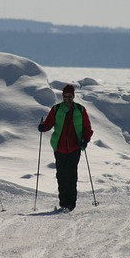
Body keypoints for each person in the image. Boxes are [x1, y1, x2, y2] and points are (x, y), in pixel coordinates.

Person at [38, 84, 93, 212]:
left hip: (75, 147)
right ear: (62, 96)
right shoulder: (56, 109)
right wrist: (43, 127)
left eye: (69, 96)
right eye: (65, 96)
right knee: (61, 175)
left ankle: (70, 203)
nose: (67, 98)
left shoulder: (80, 109)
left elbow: (87, 128)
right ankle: (63, 202)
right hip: (59, 147)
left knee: (71, 175)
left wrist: (85, 140)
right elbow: (49, 123)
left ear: (73, 96)